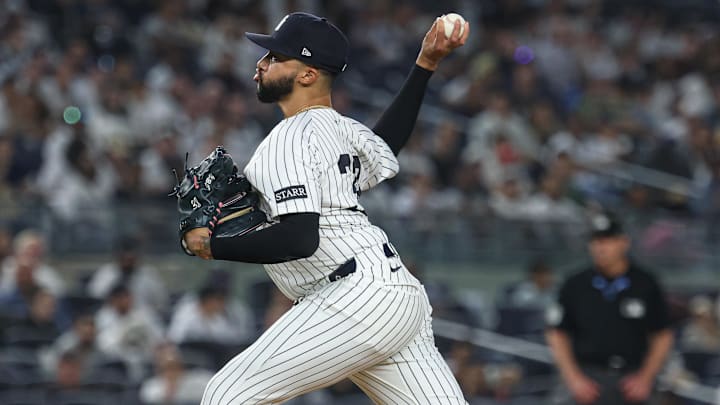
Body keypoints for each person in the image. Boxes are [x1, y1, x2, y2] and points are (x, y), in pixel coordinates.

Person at [181, 11, 470, 404]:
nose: (259, 65)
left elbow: (300, 238)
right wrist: (425, 65)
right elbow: (385, 144)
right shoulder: (339, 127)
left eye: (274, 57)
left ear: (307, 74)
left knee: (227, 395)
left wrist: (211, 246)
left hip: (354, 297)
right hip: (395, 295)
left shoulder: (288, 138)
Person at [546, 212, 674, 404]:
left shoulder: (645, 284)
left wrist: (646, 377)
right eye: (595, 241)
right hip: (587, 374)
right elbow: (557, 333)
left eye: (606, 241)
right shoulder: (575, 284)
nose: (600, 248)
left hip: (632, 375)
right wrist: (573, 378)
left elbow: (662, 334)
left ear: (623, 242)